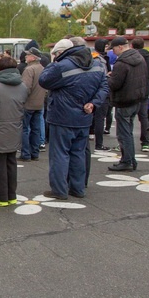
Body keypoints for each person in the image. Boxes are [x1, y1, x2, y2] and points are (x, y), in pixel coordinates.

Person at [38, 38, 109, 200]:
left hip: (62, 116)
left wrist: (54, 62)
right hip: (84, 116)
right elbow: (104, 86)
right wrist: (93, 103)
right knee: (78, 153)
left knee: (60, 154)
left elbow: (44, 80)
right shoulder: (97, 65)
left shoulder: (62, 66)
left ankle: (59, 190)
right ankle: (78, 188)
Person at [0, 55, 28, 206]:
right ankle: (11, 194)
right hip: (15, 128)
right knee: (11, 161)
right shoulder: (23, 87)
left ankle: (0, 196)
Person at [107, 36, 149, 171]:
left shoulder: (122, 63)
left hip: (124, 100)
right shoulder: (139, 59)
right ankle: (130, 159)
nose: (113, 52)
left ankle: (127, 161)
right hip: (137, 99)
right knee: (128, 131)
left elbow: (115, 84)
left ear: (120, 47)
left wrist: (108, 77)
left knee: (123, 133)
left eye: (113, 48)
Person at [20, 48, 47, 161]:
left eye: (28, 55)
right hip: (40, 103)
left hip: (28, 104)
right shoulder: (43, 68)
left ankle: (25, 154)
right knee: (36, 129)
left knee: (24, 129)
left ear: (33, 57)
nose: (26, 57)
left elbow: (26, 88)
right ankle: (34, 153)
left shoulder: (29, 70)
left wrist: (21, 100)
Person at [90, 39, 112, 151]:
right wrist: (108, 75)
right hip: (101, 92)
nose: (108, 48)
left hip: (92, 91)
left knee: (92, 116)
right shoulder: (100, 60)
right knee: (100, 118)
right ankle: (99, 144)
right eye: (106, 46)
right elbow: (102, 77)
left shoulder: (91, 57)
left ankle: (91, 134)